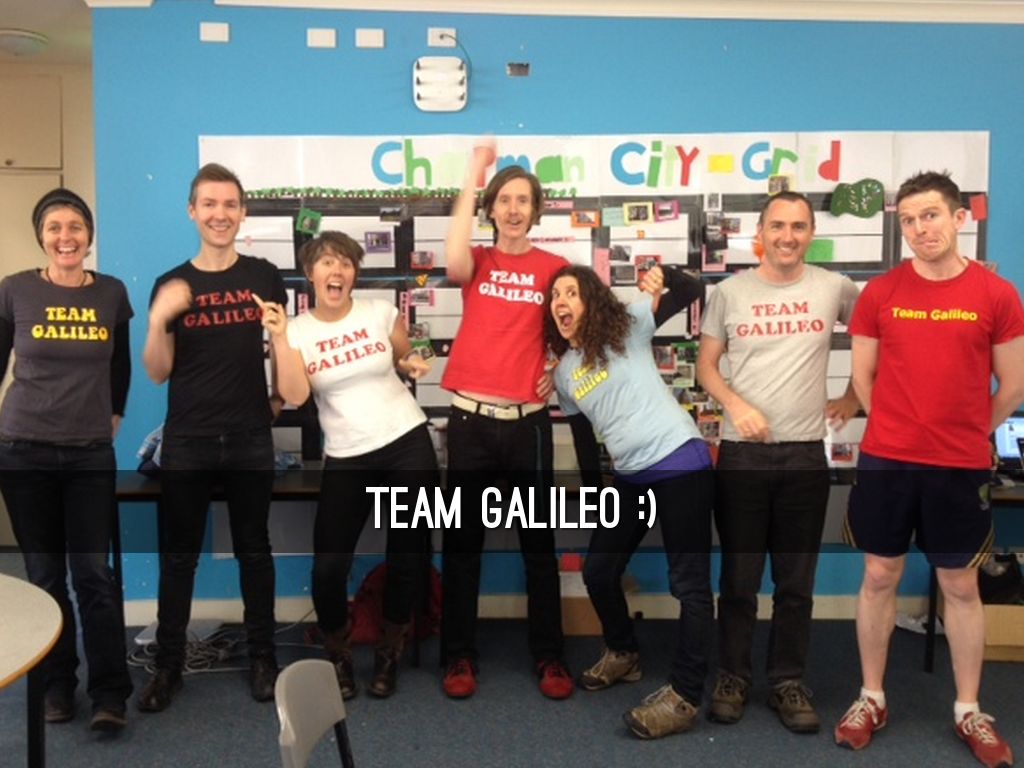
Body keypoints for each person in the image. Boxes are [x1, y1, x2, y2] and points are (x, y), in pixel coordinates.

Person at [835, 171, 1024, 768]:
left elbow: (1014, 384)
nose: (920, 229)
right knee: (879, 576)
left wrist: (968, 431)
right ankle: (872, 698)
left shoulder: (996, 294)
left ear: (959, 217)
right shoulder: (880, 293)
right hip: (887, 460)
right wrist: (898, 426)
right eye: (910, 220)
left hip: (958, 466)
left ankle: (969, 709)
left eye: (931, 215)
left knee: (960, 584)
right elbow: (862, 378)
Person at [696, 191, 860, 733]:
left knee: (795, 583)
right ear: (761, 233)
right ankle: (733, 677)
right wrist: (736, 405)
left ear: (811, 233)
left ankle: (788, 680)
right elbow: (706, 367)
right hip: (742, 457)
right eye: (778, 226)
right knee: (739, 580)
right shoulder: (729, 292)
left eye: (798, 226)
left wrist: (853, 397)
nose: (787, 236)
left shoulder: (834, 288)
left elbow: (879, 339)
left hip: (805, 455)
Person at [259, 231, 437, 699]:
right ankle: (338, 655)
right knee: (328, 567)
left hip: (406, 441)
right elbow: (294, 394)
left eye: (345, 263)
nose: (336, 271)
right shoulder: (296, 330)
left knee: (407, 556)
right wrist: (279, 337)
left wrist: (413, 363)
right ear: (310, 273)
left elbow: (405, 356)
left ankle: (389, 652)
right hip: (346, 453)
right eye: (326, 262)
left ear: (354, 273)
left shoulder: (379, 312)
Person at [137, 163, 287, 712]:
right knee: (179, 558)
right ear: (192, 211)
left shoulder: (265, 276)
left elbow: (281, 345)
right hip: (189, 438)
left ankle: (264, 658)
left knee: (254, 551)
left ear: (242, 213)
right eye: (209, 204)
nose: (219, 214)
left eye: (229, 205)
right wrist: (159, 319)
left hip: (249, 436)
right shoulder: (171, 284)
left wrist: (276, 399)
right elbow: (157, 371)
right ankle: (168, 667)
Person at [546, 263, 713, 739]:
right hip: (629, 476)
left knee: (689, 587)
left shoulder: (628, 327)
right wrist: (594, 492)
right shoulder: (565, 373)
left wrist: (663, 275)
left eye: (571, 292)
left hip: (679, 460)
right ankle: (623, 652)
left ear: (591, 300)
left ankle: (685, 695)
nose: (561, 302)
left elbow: (691, 289)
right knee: (599, 571)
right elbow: (583, 438)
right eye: (554, 295)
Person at [439, 140, 573, 700]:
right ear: (491, 208)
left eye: (523, 201)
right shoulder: (477, 262)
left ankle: (550, 657)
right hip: (470, 422)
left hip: (528, 426)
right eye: (504, 200)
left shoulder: (555, 269)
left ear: (536, 211)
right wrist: (476, 171)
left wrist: (559, 369)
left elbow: (582, 329)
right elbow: (451, 258)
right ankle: (458, 655)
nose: (514, 209)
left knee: (538, 547)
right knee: (462, 545)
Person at [0, 188, 134, 732]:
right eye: (54, 227)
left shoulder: (111, 293)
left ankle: (109, 691)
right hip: (21, 451)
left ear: (89, 235)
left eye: (75, 226)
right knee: (44, 575)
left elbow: (120, 365)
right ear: (41, 236)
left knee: (94, 574)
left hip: (88, 456)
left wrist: (113, 415)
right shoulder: (15, 291)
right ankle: (56, 685)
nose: (65, 237)